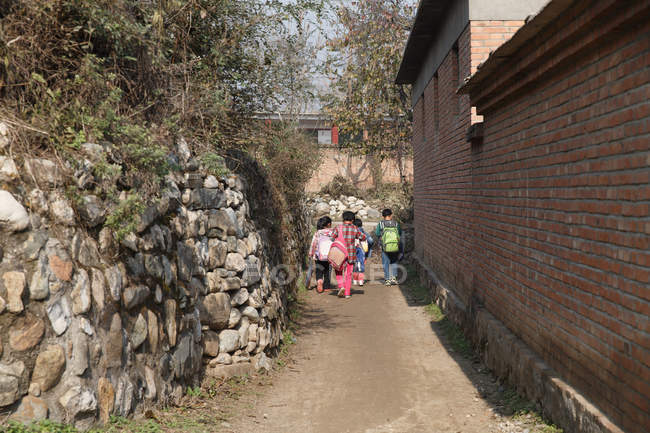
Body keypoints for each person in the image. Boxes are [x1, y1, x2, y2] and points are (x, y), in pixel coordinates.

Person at [331, 211, 366, 298]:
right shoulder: (355, 228)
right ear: (353, 219)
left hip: (339, 253)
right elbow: (363, 237)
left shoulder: (338, 227)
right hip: (350, 254)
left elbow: (332, 238)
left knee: (338, 271)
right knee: (349, 274)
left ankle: (341, 286)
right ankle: (347, 293)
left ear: (343, 219)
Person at [375, 208, 402, 285]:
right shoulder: (396, 223)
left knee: (385, 262)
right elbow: (399, 233)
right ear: (391, 215)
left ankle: (387, 279)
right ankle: (394, 278)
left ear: (383, 216)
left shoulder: (381, 224)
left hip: (385, 247)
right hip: (395, 246)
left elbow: (377, 234)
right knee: (394, 261)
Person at [309, 216, 335, 293]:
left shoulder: (318, 233)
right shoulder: (332, 232)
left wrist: (311, 253)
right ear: (329, 224)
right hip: (329, 255)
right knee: (327, 271)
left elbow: (313, 244)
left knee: (319, 270)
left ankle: (319, 281)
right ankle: (326, 286)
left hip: (318, 255)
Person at [353, 218, 373, 286]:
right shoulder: (364, 232)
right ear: (361, 225)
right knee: (361, 265)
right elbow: (371, 241)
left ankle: (355, 280)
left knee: (354, 265)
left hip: (353, 250)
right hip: (362, 250)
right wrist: (368, 251)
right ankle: (361, 280)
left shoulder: (352, 231)